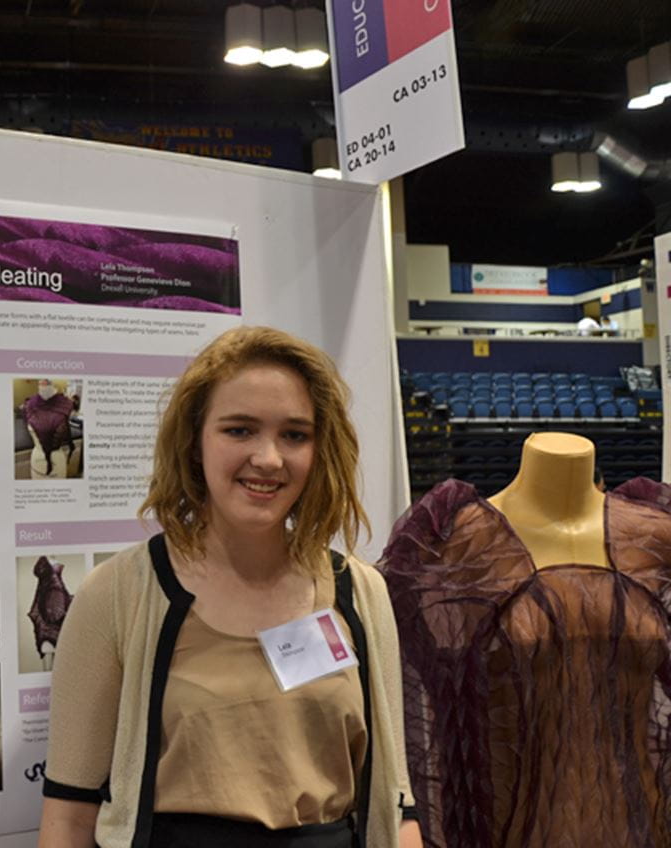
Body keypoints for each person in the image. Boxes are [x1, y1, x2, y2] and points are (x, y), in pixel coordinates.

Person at [38, 326, 419, 848]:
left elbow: (396, 808)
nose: (269, 458)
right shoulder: (119, 594)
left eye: (295, 435)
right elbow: (68, 818)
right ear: (195, 442)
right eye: (240, 430)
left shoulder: (360, 592)